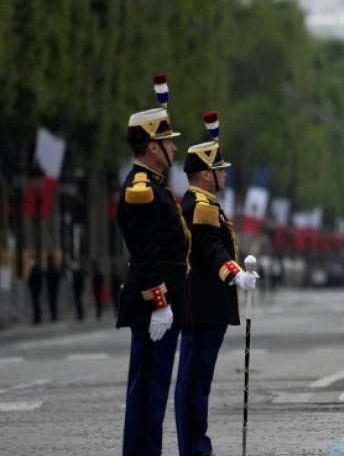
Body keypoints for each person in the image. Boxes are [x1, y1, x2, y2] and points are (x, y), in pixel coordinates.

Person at [116, 76, 191, 456]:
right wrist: (159, 302)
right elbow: (144, 253)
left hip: (160, 303)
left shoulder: (154, 184)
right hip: (153, 306)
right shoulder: (141, 189)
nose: (174, 147)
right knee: (148, 393)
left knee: (154, 393)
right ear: (151, 147)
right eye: (168, 142)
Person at [175, 112, 256, 456]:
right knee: (194, 383)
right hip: (203, 306)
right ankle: (195, 449)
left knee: (197, 382)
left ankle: (195, 447)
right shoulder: (202, 205)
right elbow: (210, 247)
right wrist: (234, 272)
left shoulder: (204, 202)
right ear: (207, 174)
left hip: (204, 306)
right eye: (220, 170)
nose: (225, 174)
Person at [45, 255, 61, 322]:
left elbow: (56, 277)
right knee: (51, 302)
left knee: (53, 302)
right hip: (51, 287)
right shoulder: (50, 268)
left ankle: (54, 316)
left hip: (53, 288)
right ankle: (53, 316)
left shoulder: (53, 268)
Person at [28, 260, 43, 325]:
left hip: (35, 290)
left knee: (36, 304)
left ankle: (37, 318)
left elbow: (31, 280)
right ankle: (37, 318)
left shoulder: (35, 271)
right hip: (35, 290)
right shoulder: (35, 270)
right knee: (36, 304)